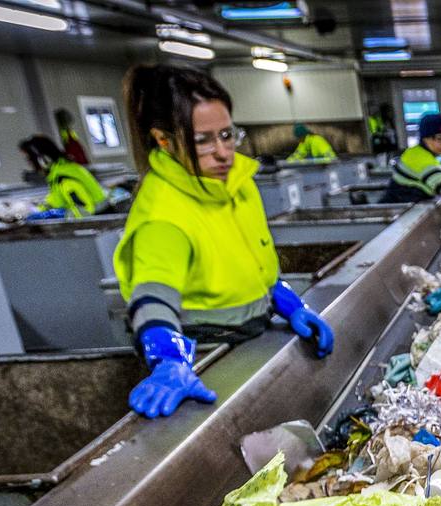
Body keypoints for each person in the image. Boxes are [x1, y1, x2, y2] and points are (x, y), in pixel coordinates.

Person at [114, 63, 334, 418]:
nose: (222, 152)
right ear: (164, 140)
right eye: (203, 140)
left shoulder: (237, 185)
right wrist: (169, 360)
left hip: (256, 340)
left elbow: (251, 264)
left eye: (228, 134)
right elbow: (152, 299)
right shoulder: (163, 213)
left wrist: (289, 303)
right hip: (208, 366)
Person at [19, 135, 105, 219]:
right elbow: (57, 200)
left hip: (100, 223)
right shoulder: (58, 173)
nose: (29, 164)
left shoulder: (65, 179)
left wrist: (59, 215)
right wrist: (37, 209)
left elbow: (85, 211)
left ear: (43, 160)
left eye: (29, 159)